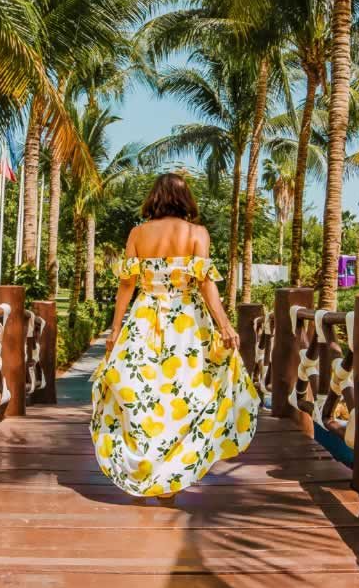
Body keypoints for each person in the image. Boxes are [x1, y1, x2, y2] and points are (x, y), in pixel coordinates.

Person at [90, 173, 259, 498]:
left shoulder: (138, 233)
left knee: (144, 396)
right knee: (186, 395)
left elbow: (127, 284)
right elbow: (206, 284)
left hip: (145, 320)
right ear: (185, 199)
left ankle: (152, 469)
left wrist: (114, 330)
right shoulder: (197, 233)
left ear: (154, 198)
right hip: (187, 324)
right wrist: (223, 323)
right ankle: (173, 470)